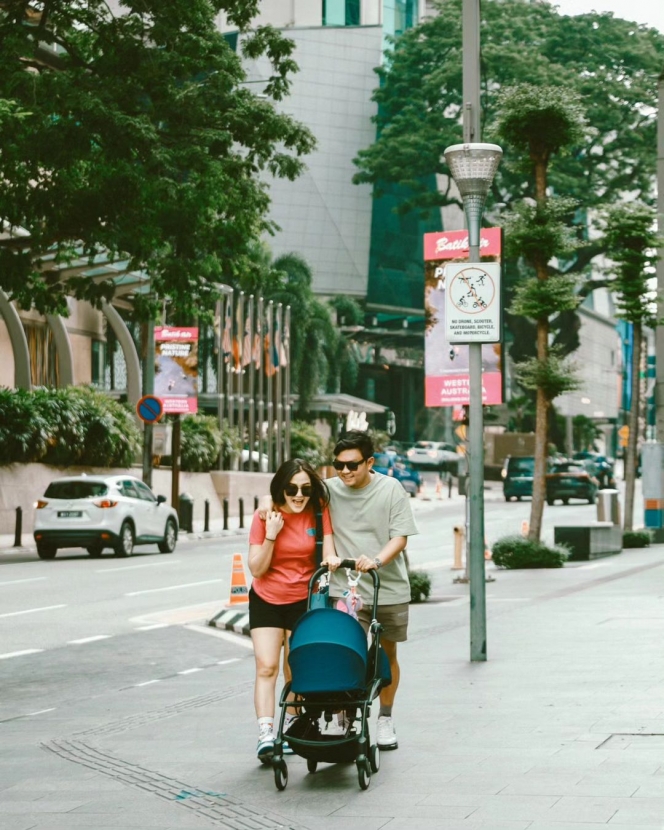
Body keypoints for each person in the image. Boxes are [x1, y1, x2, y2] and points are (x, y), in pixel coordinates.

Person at [325, 430, 418, 751]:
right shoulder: (329, 490)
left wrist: (377, 560)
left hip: (387, 588)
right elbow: (289, 492)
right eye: (338, 465)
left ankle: (385, 718)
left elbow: (401, 536)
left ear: (369, 462)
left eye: (352, 465)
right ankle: (345, 718)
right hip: (345, 589)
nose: (345, 472)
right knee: (343, 653)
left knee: (387, 653)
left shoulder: (390, 489)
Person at [248, 458, 334, 762]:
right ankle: (266, 734)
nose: (299, 495)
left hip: (303, 601)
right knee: (267, 666)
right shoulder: (265, 515)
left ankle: (289, 727)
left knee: (293, 669)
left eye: (305, 488)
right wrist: (271, 532)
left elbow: (330, 551)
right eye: (291, 488)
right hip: (267, 600)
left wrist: (334, 562)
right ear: (280, 488)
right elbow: (256, 569)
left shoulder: (318, 509)